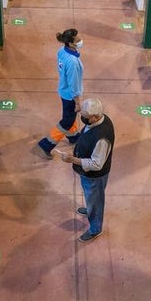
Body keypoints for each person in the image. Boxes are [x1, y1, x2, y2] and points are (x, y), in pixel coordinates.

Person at [57, 98, 114, 242]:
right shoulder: (101, 119)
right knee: (92, 198)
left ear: (94, 117)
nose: (82, 118)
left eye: (85, 117)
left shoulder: (102, 138)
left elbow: (96, 164)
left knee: (95, 200)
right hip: (90, 174)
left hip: (94, 176)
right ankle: (90, 209)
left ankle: (95, 229)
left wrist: (72, 160)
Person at [37, 28, 84, 157]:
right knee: (67, 120)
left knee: (70, 116)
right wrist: (78, 102)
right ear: (70, 43)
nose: (81, 41)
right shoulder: (73, 63)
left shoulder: (62, 51)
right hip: (70, 95)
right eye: (78, 40)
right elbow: (74, 84)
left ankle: (73, 136)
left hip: (63, 89)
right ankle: (46, 144)